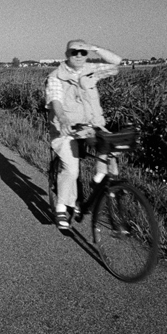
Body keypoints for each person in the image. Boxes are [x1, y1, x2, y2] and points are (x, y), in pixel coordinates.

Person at [45, 39, 122, 229]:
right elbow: (56, 100)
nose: (79, 55)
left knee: (112, 148)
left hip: (92, 125)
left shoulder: (91, 69)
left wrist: (95, 48)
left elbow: (116, 63)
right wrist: (62, 118)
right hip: (67, 128)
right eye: (74, 52)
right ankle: (62, 207)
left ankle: (98, 180)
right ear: (67, 54)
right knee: (71, 169)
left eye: (82, 52)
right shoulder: (56, 76)